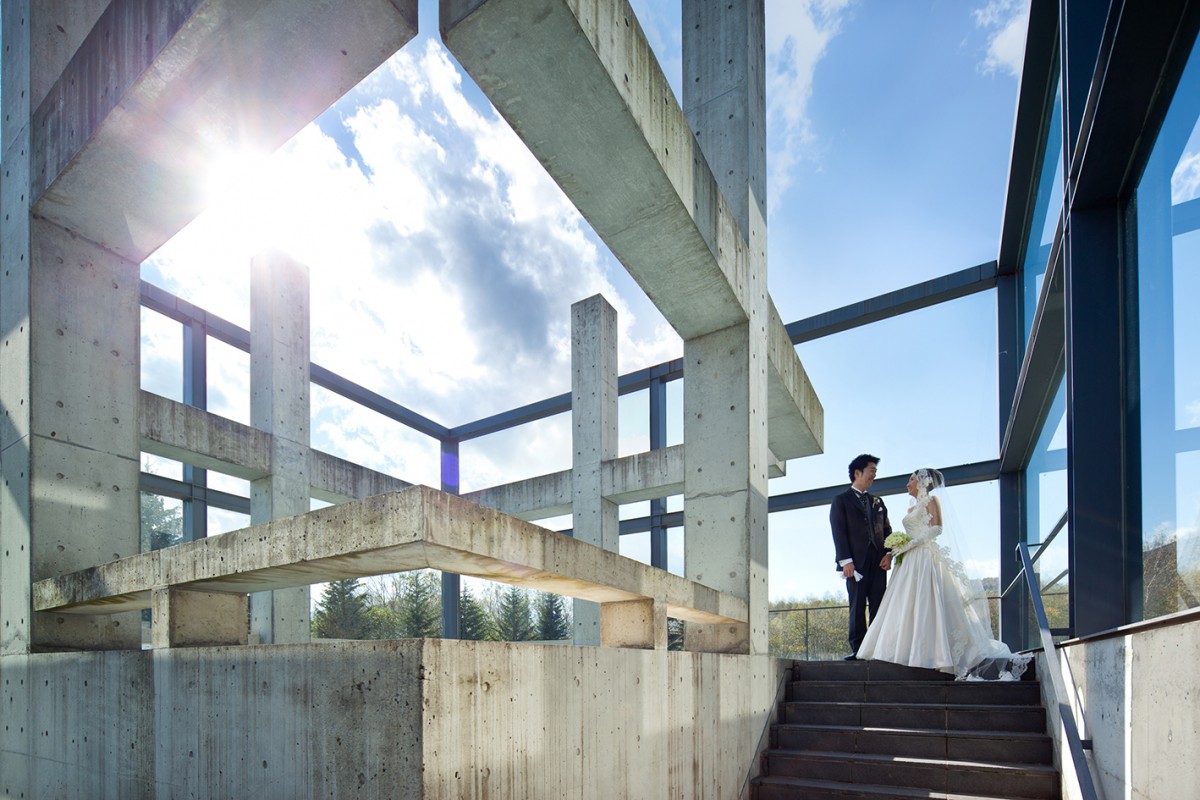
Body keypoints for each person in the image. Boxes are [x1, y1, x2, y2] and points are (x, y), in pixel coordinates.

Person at [856, 467, 1032, 680]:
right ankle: (904, 651)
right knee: (905, 604)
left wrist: (907, 546)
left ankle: (934, 654)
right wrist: (899, 548)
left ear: (921, 482)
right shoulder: (911, 507)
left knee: (926, 602)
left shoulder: (931, 500)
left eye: (910, 480)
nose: (907, 484)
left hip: (923, 558)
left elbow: (937, 529)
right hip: (909, 561)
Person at [830, 454, 893, 660]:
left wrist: (888, 555)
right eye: (871, 471)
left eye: (875, 471)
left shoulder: (878, 501)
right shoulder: (841, 501)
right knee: (857, 606)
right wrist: (845, 561)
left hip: (878, 563)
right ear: (857, 473)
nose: (874, 475)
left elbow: (887, 530)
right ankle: (858, 650)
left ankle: (876, 648)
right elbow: (838, 531)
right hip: (855, 564)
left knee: (878, 604)